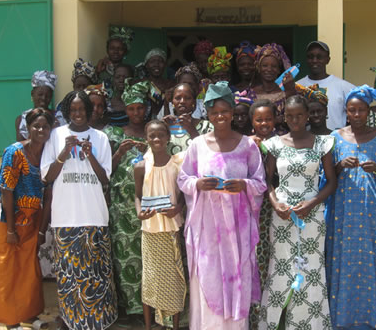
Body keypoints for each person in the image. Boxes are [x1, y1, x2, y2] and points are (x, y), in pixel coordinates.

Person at [177, 81, 267, 329]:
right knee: (208, 276)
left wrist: (243, 185)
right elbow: (183, 179)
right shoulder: (197, 145)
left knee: (236, 276)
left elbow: (260, 183)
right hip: (207, 230)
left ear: (233, 112)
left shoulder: (247, 145)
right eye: (214, 112)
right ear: (207, 113)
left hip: (237, 230)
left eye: (224, 111)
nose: (219, 116)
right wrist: (198, 184)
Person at [258, 95, 337, 330]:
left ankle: (309, 325)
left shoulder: (323, 143)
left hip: (312, 215)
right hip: (282, 216)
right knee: (280, 266)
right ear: (284, 117)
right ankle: (272, 324)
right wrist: (275, 203)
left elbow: (332, 182)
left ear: (308, 116)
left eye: (299, 115)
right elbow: (267, 180)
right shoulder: (274, 143)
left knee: (311, 268)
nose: (295, 119)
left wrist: (311, 204)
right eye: (290, 115)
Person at [325, 85, 376, 330]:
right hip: (343, 214)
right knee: (343, 261)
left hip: (374, 215)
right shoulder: (334, 138)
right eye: (352, 110)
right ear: (346, 112)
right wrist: (339, 166)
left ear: (369, 112)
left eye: (361, 110)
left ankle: (375, 320)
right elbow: (324, 178)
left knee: (375, 262)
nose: (356, 115)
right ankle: (343, 321)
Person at [41, 91, 117, 330]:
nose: (78, 114)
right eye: (73, 110)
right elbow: (47, 176)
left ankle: (99, 322)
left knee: (96, 273)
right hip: (65, 216)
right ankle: (71, 321)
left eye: (82, 109)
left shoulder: (101, 138)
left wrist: (89, 154)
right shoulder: (56, 136)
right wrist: (64, 152)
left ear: (89, 110)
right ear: (67, 112)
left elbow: (105, 179)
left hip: (94, 215)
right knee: (68, 275)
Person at [0, 108, 53, 330]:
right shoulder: (14, 152)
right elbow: (6, 191)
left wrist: (41, 230)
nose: (40, 130)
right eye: (36, 126)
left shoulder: (48, 153)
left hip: (31, 215)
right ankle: (12, 321)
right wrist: (11, 230)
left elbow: (48, 193)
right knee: (8, 265)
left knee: (29, 265)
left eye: (45, 126)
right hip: (5, 215)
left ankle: (30, 316)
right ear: (27, 128)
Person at [103, 81, 151, 322]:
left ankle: (148, 309)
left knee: (147, 259)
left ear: (146, 109)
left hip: (149, 207)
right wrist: (120, 152)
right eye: (131, 109)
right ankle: (127, 309)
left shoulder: (154, 132)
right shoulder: (113, 134)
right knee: (123, 258)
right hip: (121, 209)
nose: (135, 113)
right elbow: (105, 172)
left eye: (140, 108)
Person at [134, 120, 186, 330]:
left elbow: (183, 196)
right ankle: (149, 326)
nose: (156, 139)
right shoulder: (140, 167)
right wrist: (139, 212)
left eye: (160, 135)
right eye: (152, 136)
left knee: (173, 280)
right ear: (146, 138)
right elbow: (138, 196)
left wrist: (178, 208)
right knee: (150, 280)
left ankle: (173, 325)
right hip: (150, 231)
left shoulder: (177, 163)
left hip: (171, 229)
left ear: (168, 138)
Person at [247, 99, 277, 330]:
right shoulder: (246, 145)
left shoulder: (282, 143)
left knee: (273, 260)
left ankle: (274, 316)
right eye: (259, 119)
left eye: (268, 118)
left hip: (276, 208)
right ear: (252, 122)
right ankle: (254, 317)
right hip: (253, 210)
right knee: (255, 260)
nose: (264, 123)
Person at [297, 41, 355, 130]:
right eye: (310, 57)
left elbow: (356, 115)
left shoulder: (344, 87)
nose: (314, 60)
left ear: (327, 60)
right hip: (306, 142)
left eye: (319, 57)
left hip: (336, 142)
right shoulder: (298, 86)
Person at [246, 43, 296, 134]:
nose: (269, 69)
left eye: (274, 66)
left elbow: (296, 117)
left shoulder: (286, 91)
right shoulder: (251, 94)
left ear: (278, 69)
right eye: (265, 66)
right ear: (259, 68)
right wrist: (275, 120)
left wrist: (290, 91)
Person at [163, 83, 213, 155]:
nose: (182, 101)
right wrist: (162, 129)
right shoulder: (166, 125)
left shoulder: (206, 126)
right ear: (172, 102)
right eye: (178, 98)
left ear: (194, 101)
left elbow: (211, 152)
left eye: (188, 98)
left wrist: (192, 130)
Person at [15, 70, 58, 141]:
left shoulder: (59, 118)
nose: (44, 98)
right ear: (32, 94)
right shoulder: (22, 120)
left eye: (48, 95)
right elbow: (20, 148)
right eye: (40, 94)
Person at [95, 26, 134, 97]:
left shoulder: (131, 71)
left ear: (125, 51)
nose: (116, 51)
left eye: (120, 49)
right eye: (112, 48)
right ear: (107, 50)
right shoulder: (100, 68)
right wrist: (97, 73)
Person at [141, 48, 176, 118]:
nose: (156, 64)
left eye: (160, 61)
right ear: (146, 65)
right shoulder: (141, 84)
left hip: (167, 120)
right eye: (152, 61)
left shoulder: (171, 85)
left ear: (165, 65)